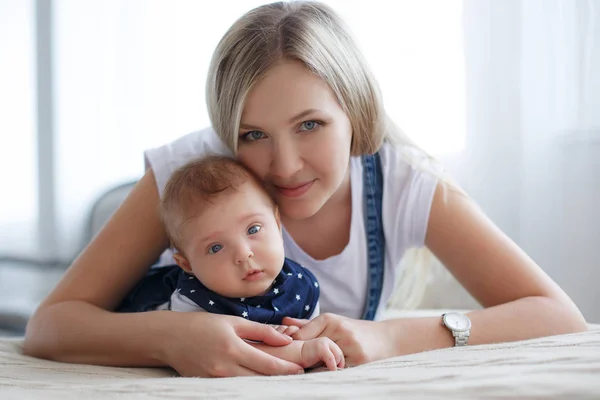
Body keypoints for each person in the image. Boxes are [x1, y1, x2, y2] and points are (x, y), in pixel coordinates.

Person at [24, 1, 587, 378]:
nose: (285, 165)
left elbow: (557, 315)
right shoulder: (188, 173)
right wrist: (170, 337)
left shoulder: (404, 182)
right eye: (253, 135)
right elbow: (50, 324)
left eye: (310, 125)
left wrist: (390, 339)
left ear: (355, 110)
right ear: (226, 133)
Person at [155, 155, 343, 371]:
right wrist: (299, 351)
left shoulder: (300, 285)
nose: (244, 254)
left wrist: (302, 336)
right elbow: (225, 351)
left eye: (253, 229)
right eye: (216, 247)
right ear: (187, 264)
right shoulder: (192, 301)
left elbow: (311, 334)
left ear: (277, 224)